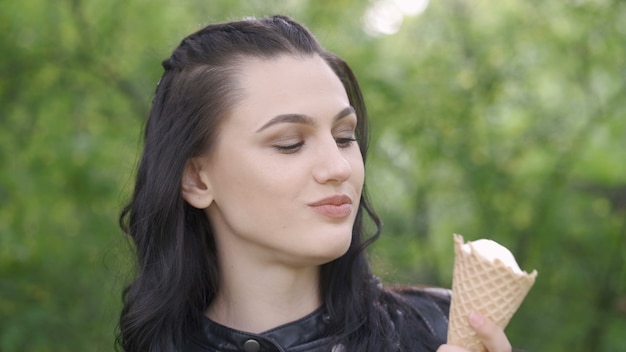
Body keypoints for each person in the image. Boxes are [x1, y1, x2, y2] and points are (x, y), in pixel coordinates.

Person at [117, 15, 512, 352]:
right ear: (197, 178)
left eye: (344, 137)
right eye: (290, 143)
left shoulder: (445, 330)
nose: (337, 166)